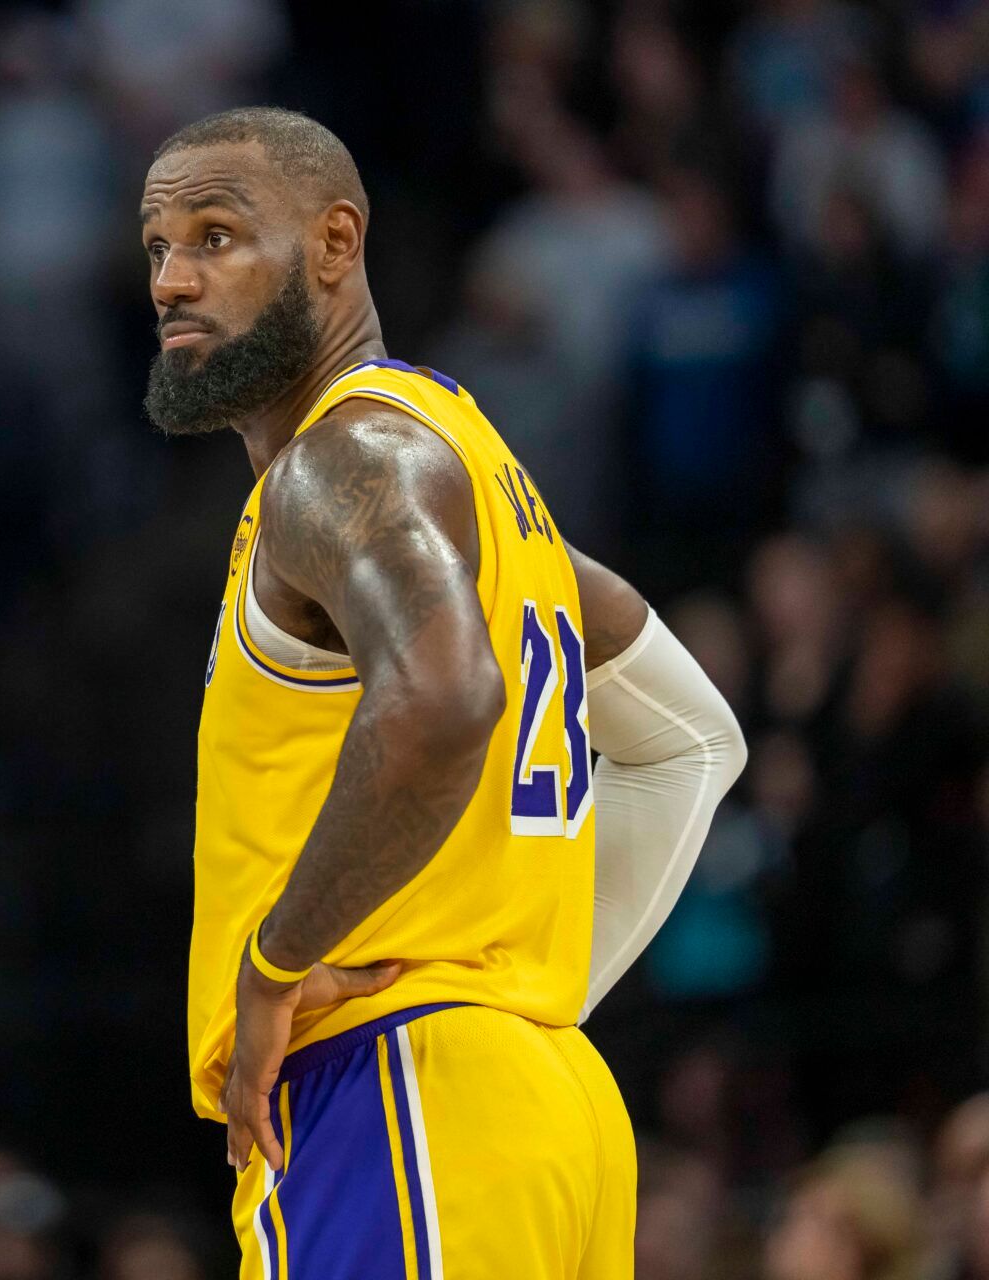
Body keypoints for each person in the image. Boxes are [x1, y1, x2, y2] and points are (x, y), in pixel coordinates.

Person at [140, 107, 749, 1277]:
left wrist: (274, 967)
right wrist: (520, 994)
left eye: (216, 235)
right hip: (544, 1100)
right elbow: (692, 742)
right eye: (158, 246)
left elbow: (444, 696)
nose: (173, 278)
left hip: (396, 1088)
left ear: (334, 242)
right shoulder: (469, 473)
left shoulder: (344, 462)